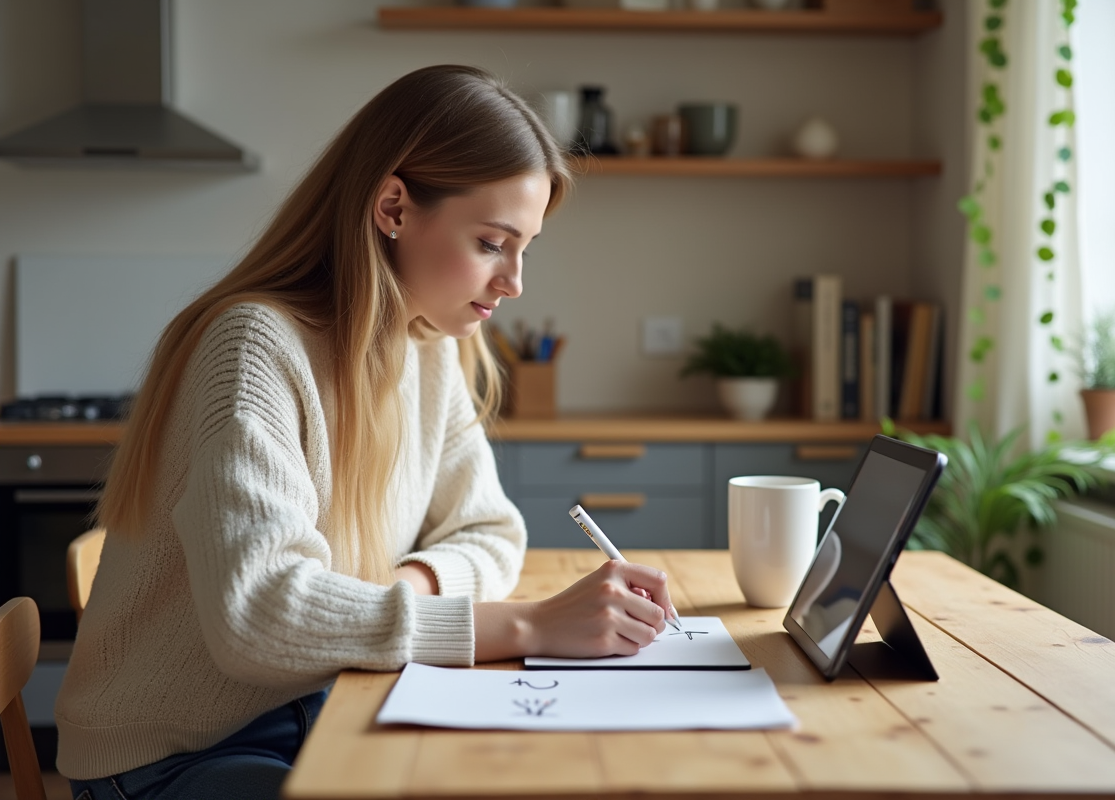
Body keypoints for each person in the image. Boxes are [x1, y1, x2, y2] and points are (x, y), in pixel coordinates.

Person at [56, 64, 677, 800]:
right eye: (490, 242)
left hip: (317, 706)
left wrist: (405, 588)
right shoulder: (252, 348)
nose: (514, 282)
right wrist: (529, 628)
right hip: (178, 757)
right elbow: (260, 618)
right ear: (393, 206)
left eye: (524, 248)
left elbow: (490, 530)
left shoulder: (427, 348)